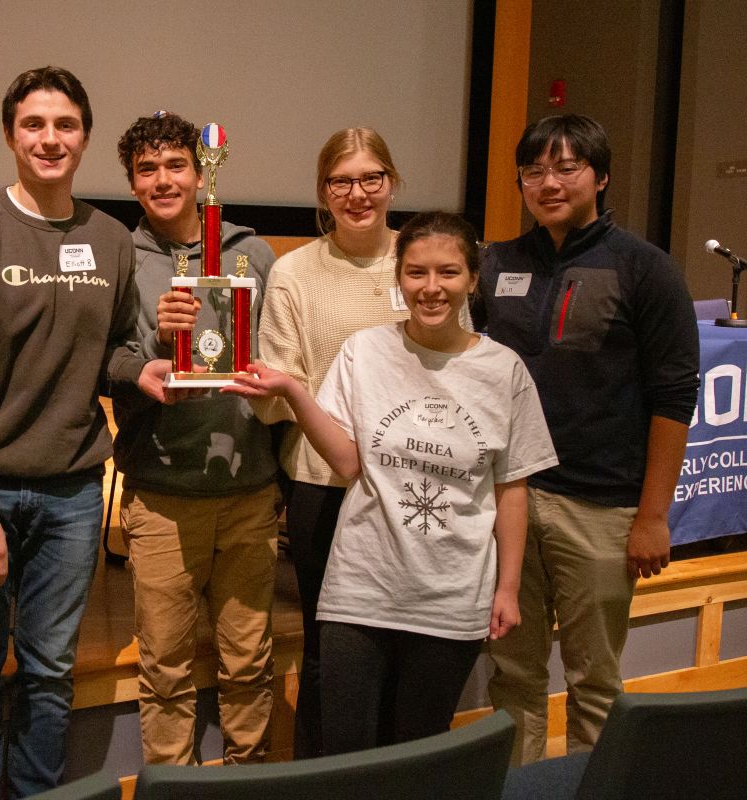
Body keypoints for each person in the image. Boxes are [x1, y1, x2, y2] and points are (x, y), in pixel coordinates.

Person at [0, 67, 173, 800]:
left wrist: (142, 374)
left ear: (85, 137)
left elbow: (107, 355)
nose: (50, 139)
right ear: (10, 136)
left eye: (65, 125)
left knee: (50, 673)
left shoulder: (108, 238)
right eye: (34, 124)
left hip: (71, 494)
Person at [227, 211, 557, 753]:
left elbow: (510, 488)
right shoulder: (367, 349)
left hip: (451, 598)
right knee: (346, 755)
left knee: (416, 755)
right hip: (360, 591)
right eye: (416, 273)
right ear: (398, 279)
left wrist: (509, 587)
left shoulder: (505, 371)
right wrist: (292, 390)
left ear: (473, 280)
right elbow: (348, 462)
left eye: (448, 273)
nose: (431, 288)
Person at [474, 114, 700, 764]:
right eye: (534, 170)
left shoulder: (646, 270)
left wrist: (653, 516)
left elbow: (673, 398)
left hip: (600, 511)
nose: (549, 182)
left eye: (566, 167)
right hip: (511, 503)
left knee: (593, 682)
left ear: (599, 176)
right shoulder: (496, 265)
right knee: (512, 679)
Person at [111, 112, 280, 765]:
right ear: (132, 182)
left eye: (176, 165)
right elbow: (111, 361)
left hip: (248, 495)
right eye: (147, 169)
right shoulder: (121, 259)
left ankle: (251, 782)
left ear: (199, 171)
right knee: (167, 674)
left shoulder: (253, 253)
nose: (163, 180)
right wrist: (157, 340)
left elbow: (275, 353)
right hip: (161, 498)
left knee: (248, 666)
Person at [252, 127, 412, 758]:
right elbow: (275, 390)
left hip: (414, 484)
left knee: (407, 639)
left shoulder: (422, 258)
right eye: (342, 181)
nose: (358, 193)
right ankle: (323, 778)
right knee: (328, 647)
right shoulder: (293, 272)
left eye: (371, 177)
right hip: (323, 487)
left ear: (392, 183)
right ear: (323, 192)